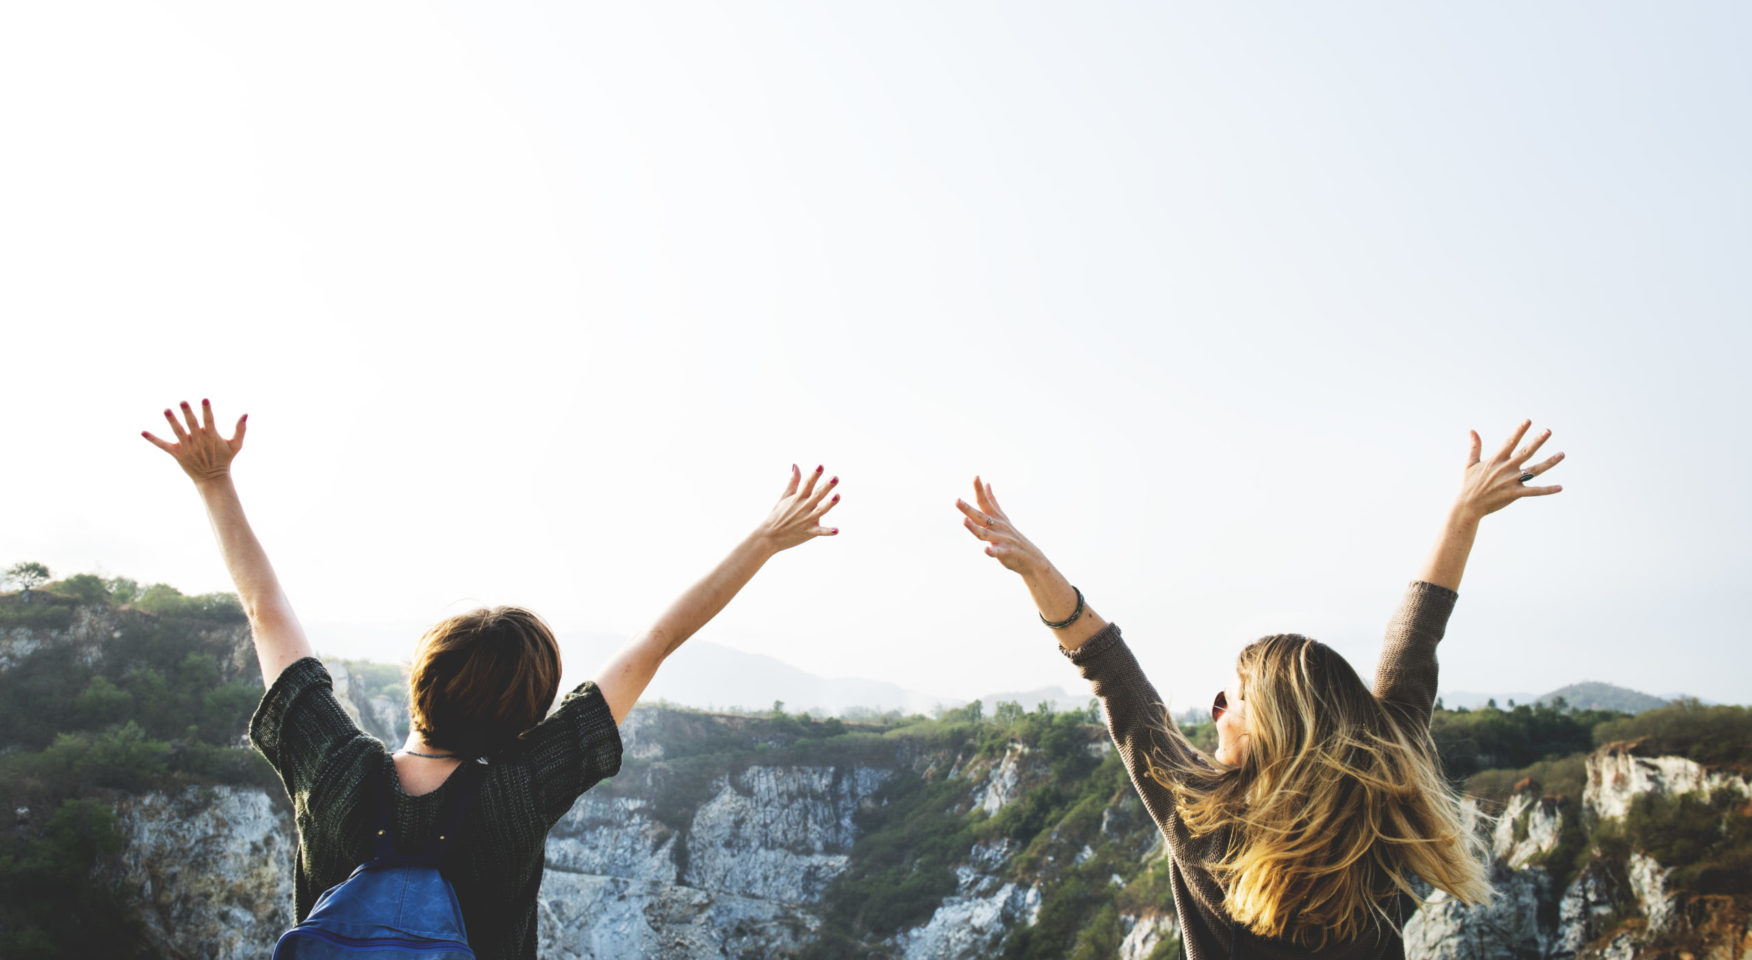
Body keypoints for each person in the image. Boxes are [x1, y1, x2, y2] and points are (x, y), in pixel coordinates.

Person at [143, 399, 842, 960]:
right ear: (527, 718)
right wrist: (764, 540)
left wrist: (214, 482)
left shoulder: (335, 771)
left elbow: (266, 614)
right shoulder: (520, 787)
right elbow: (656, 643)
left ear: (421, 680)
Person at [956, 420, 1565, 960]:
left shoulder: (1206, 823)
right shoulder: (1383, 803)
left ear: (1270, 728)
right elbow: (1417, 634)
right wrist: (1463, 513)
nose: (1216, 713)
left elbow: (1117, 680)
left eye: (1230, 702)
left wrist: (1036, 570)